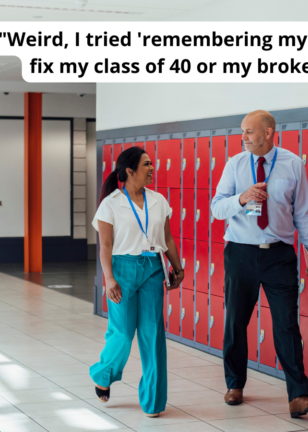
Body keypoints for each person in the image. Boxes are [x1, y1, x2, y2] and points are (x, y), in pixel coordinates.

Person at [211, 110, 308, 418]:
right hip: (241, 253)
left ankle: (298, 395)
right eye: (243, 132)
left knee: (287, 324)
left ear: (269, 132)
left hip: (279, 255)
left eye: (249, 131)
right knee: (235, 322)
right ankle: (234, 384)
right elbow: (216, 208)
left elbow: (304, 212)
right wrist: (242, 198)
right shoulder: (234, 165)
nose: (243, 137)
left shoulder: (292, 164)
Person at [90, 147, 184, 417]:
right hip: (122, 269)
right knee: (122, 332)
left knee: (153, 334)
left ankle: (153, 401)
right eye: (146, 164)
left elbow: (167, 239)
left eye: (151, 163)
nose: (152, 168)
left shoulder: (158, 200)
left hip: (153, 268)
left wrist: (177, 268)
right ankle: (103, 373)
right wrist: (109, 278)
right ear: (130, 171)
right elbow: (105, 245)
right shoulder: (111, 203)